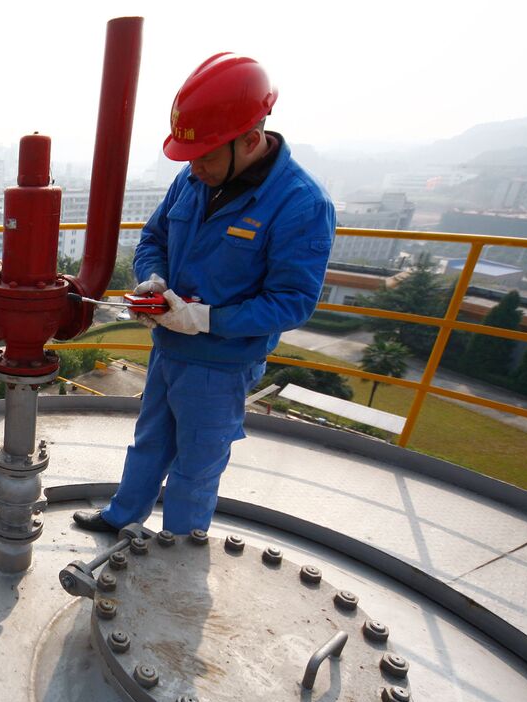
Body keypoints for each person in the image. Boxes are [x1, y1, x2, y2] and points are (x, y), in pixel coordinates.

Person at [73, 52, 335, 538]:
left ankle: (177, 550)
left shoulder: (301, 204)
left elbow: (293, 302)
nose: (196, 167)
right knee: (149, 442)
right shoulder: (194, 178)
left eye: (207, 155)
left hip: (221, 366)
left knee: (196, 462)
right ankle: (122, 517)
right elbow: (153, 240)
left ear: (251, 140)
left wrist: (204, 319)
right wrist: (154, 281)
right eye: (190, 156)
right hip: (169, 349)